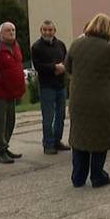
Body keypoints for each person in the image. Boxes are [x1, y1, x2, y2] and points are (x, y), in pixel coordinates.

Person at [66, 13, 110, 188]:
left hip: (78, 100)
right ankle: (97, 175)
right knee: (100, 138)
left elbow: (68, 67)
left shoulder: (76, 43)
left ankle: (78, 177)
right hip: (102, 101)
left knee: (80, 137)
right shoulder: (109, 48)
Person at [31, 21, 69, 155]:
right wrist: (54, 67)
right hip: (47, 86)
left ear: (54, 30)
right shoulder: (36, 47)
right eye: (45, 30)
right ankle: (48, 143)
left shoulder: (61, 45)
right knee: (48, 117)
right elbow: (38, 66)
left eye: (50, 30)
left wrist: (63, 67)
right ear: (41, 31)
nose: (47, 32)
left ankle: (57, 141)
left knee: (61, 115)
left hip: (60, 85)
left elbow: (67, 60)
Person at [0, 22, 26, 164]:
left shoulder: (16, 46)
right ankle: (0, 151)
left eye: (13, 30)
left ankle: (5, 146)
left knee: (10, 121)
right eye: (8, 30)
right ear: (1, 33)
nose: (11, 32)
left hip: (12, 92)